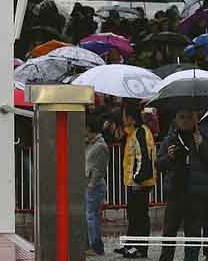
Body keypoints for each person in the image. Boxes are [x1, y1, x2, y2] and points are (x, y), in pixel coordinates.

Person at [155, 109, 207, 261]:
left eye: (189, 117)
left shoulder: (202, 138)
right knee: (169, 232)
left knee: (193, 233)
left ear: (195, 119)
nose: (185, 121)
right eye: (181, 117)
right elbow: (158, 164)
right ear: (176, 119)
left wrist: (201, 145)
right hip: (175, 192)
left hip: (196, 193)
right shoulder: (170, 139)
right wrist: (169, 157)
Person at [115, 104, 158, 258]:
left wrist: (137, 179)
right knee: (134, 215)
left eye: (125, 116)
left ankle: (140, 249)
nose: (122, 119)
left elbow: (144, 158)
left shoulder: (140, 133)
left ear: (132, 118)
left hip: (140, 183)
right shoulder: (134, 133)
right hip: (135, 183)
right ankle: (131, 245)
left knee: (139, 216)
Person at [85, 115, 110, 256]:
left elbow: (100, 168)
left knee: (91, 216)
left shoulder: (100, 146)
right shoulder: (91, 143)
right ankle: (92, 244)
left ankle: (96, 246)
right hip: (89, 184)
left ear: (89, 128)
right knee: (90, 216)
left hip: (94, 185)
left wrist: (92, 184)